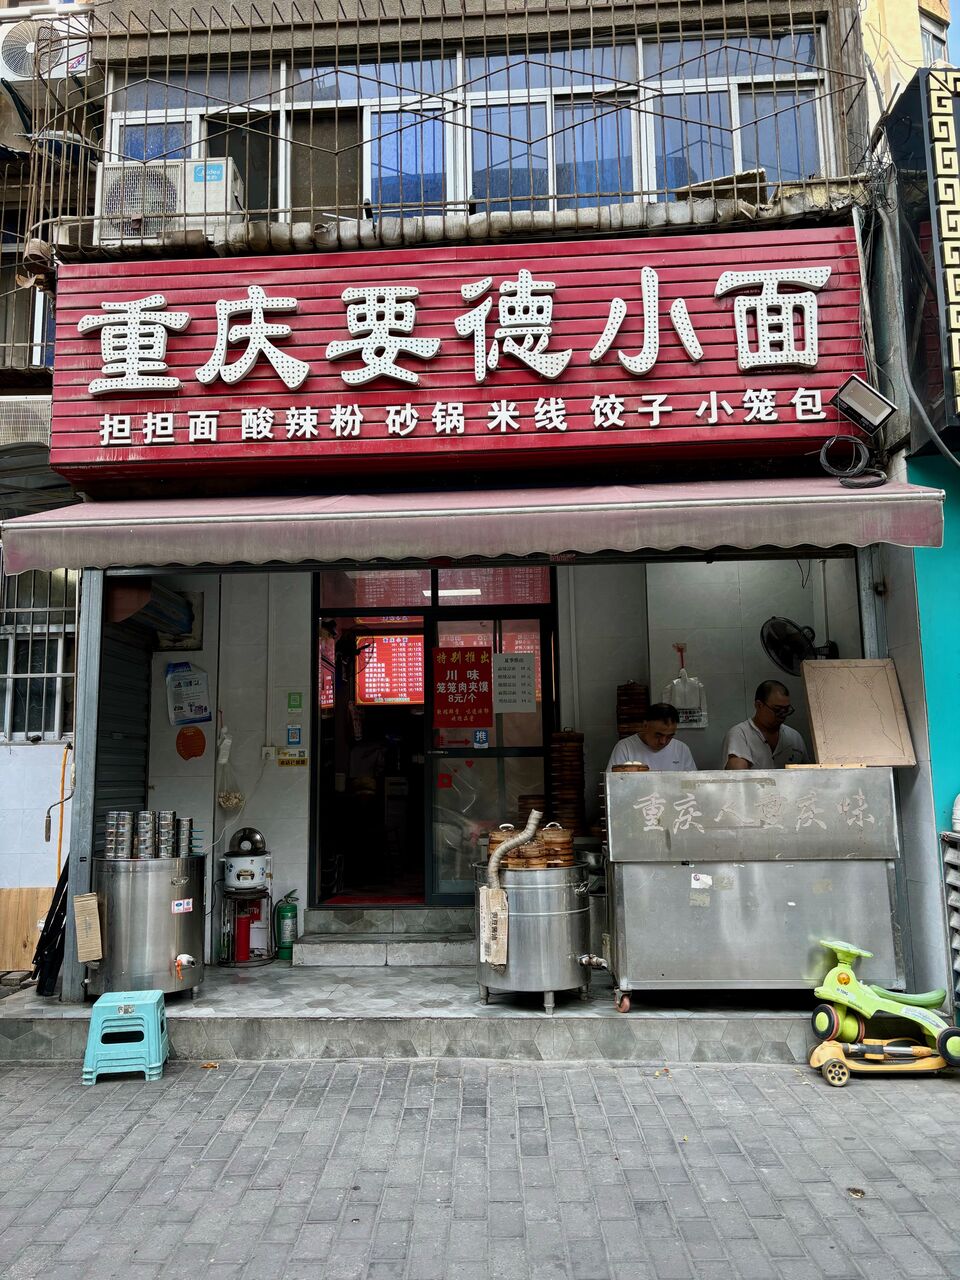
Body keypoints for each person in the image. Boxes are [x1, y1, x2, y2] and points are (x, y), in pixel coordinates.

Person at [722, 680, 808, 769]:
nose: (782, 715)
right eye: (777, 709)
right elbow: (739, 775)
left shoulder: (795, 737)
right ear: (759, 705)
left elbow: (808, 773)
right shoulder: (740, 735)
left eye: (786, 710)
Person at [606, 703, 697, 772]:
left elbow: (692, 783)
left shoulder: (681, 749)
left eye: (669, 736)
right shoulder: (625, 747)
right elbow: (614, 783)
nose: (663, 741)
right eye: (658, 735)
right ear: (645, 726)